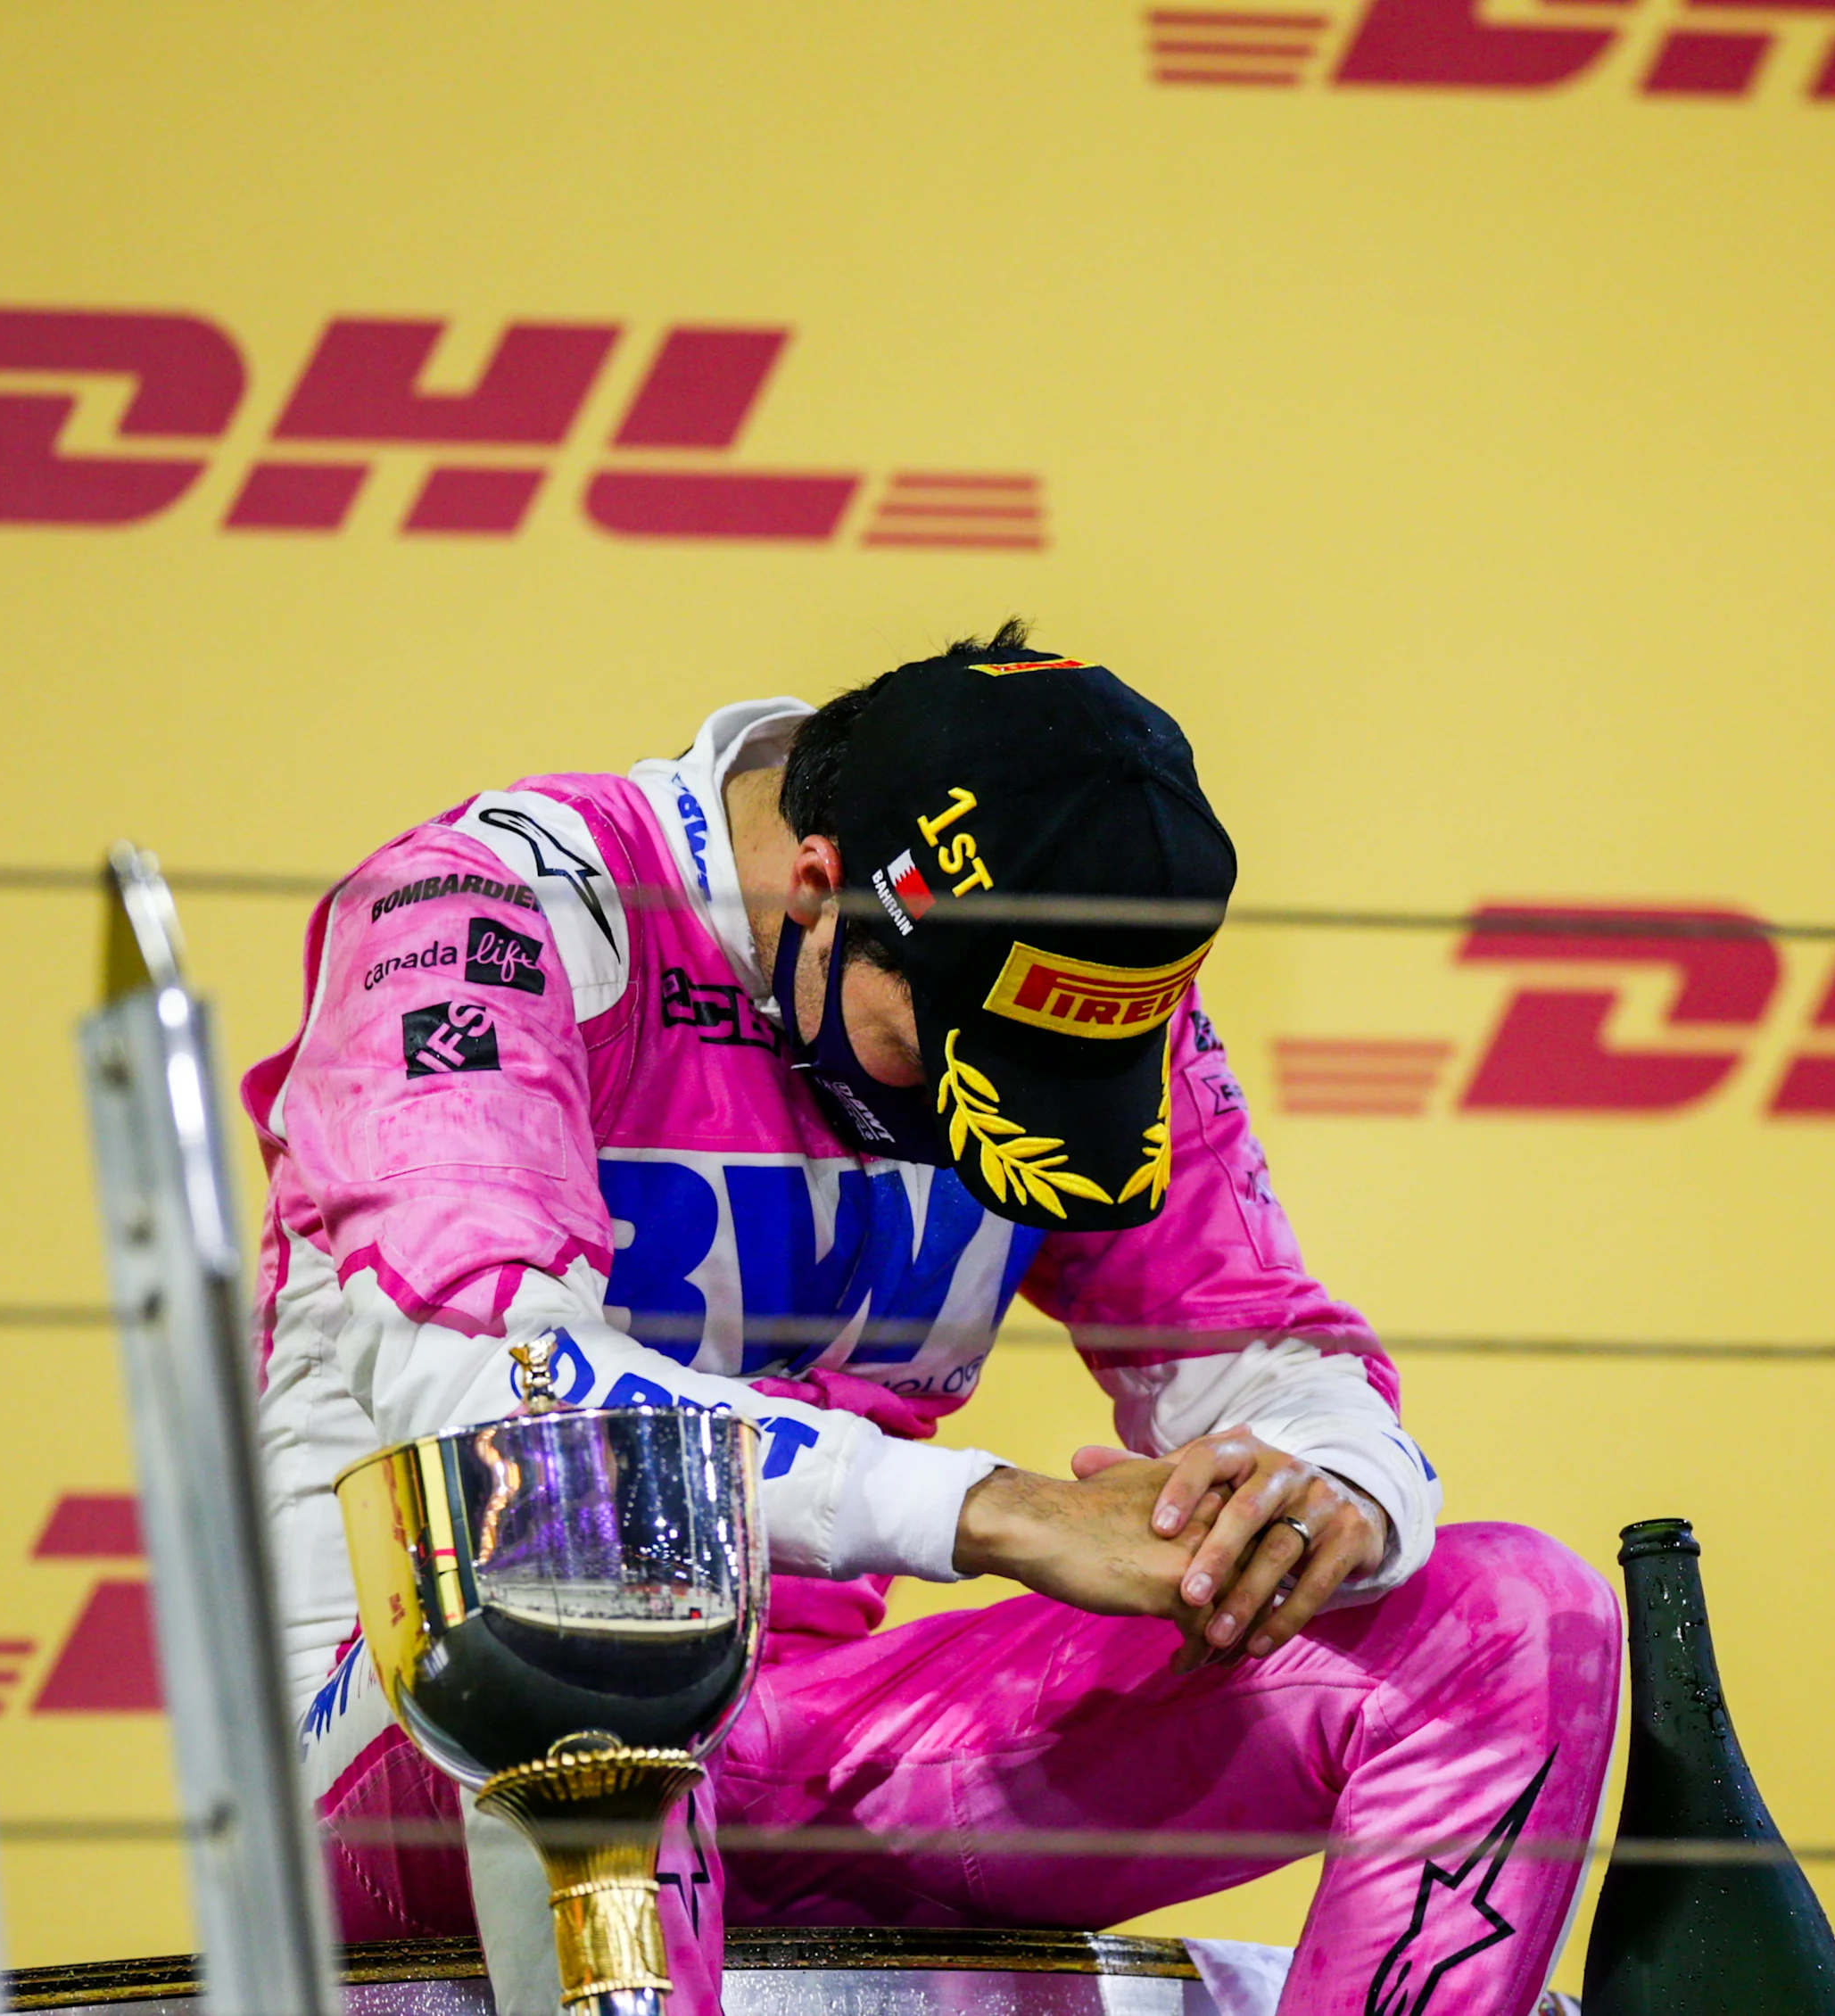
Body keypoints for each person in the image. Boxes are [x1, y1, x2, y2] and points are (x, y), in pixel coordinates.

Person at [247, 624, 1621, 2015]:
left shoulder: (1063, 982)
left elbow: (1256, 1347)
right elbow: (506, 1399)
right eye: (940, 1054)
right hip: (416, 1758)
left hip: (812, 1756)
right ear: (818, 886)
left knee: (1514, 1618)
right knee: (579, 1571)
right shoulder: (489, 909)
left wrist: (1320, 1489)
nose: (951, 1110)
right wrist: (996, 1511)